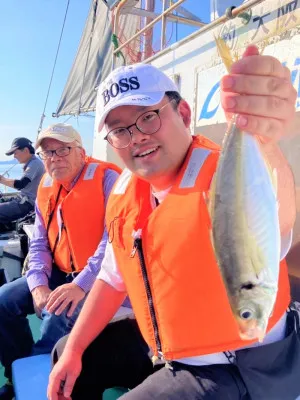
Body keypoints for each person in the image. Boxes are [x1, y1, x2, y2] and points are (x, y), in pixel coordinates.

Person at [48, 46, 299, 400]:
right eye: (119, 131)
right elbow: (112, 276)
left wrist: (266, 138)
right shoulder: (125, 194)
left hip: (240, 365)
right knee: (66, 354)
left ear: (183, 112)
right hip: (170, 350)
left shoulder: (221, 174)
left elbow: (278, 215)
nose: (136, 137)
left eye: (148, 117)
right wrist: (74, 350)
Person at [0, 123, 121, 400]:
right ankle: (18, 373)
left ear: (81, 151)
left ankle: (43, 385)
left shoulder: (108, 180)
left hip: (99, 277)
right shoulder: (47, 185)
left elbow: (113, 242)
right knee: (4, 301)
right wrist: (37, 284)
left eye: (63, 150)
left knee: (56, 315)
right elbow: (40, 242)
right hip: (59, 271)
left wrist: (80, 285)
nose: (54, 158)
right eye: (47, 153)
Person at [0, 137, 45, 229]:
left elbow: (21, 184)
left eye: (15, 153)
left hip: (27, 205)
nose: (14, 156)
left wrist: (2, 180)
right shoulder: (31, 163)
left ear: (25, 150)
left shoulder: (35, 163)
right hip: (22, 200)